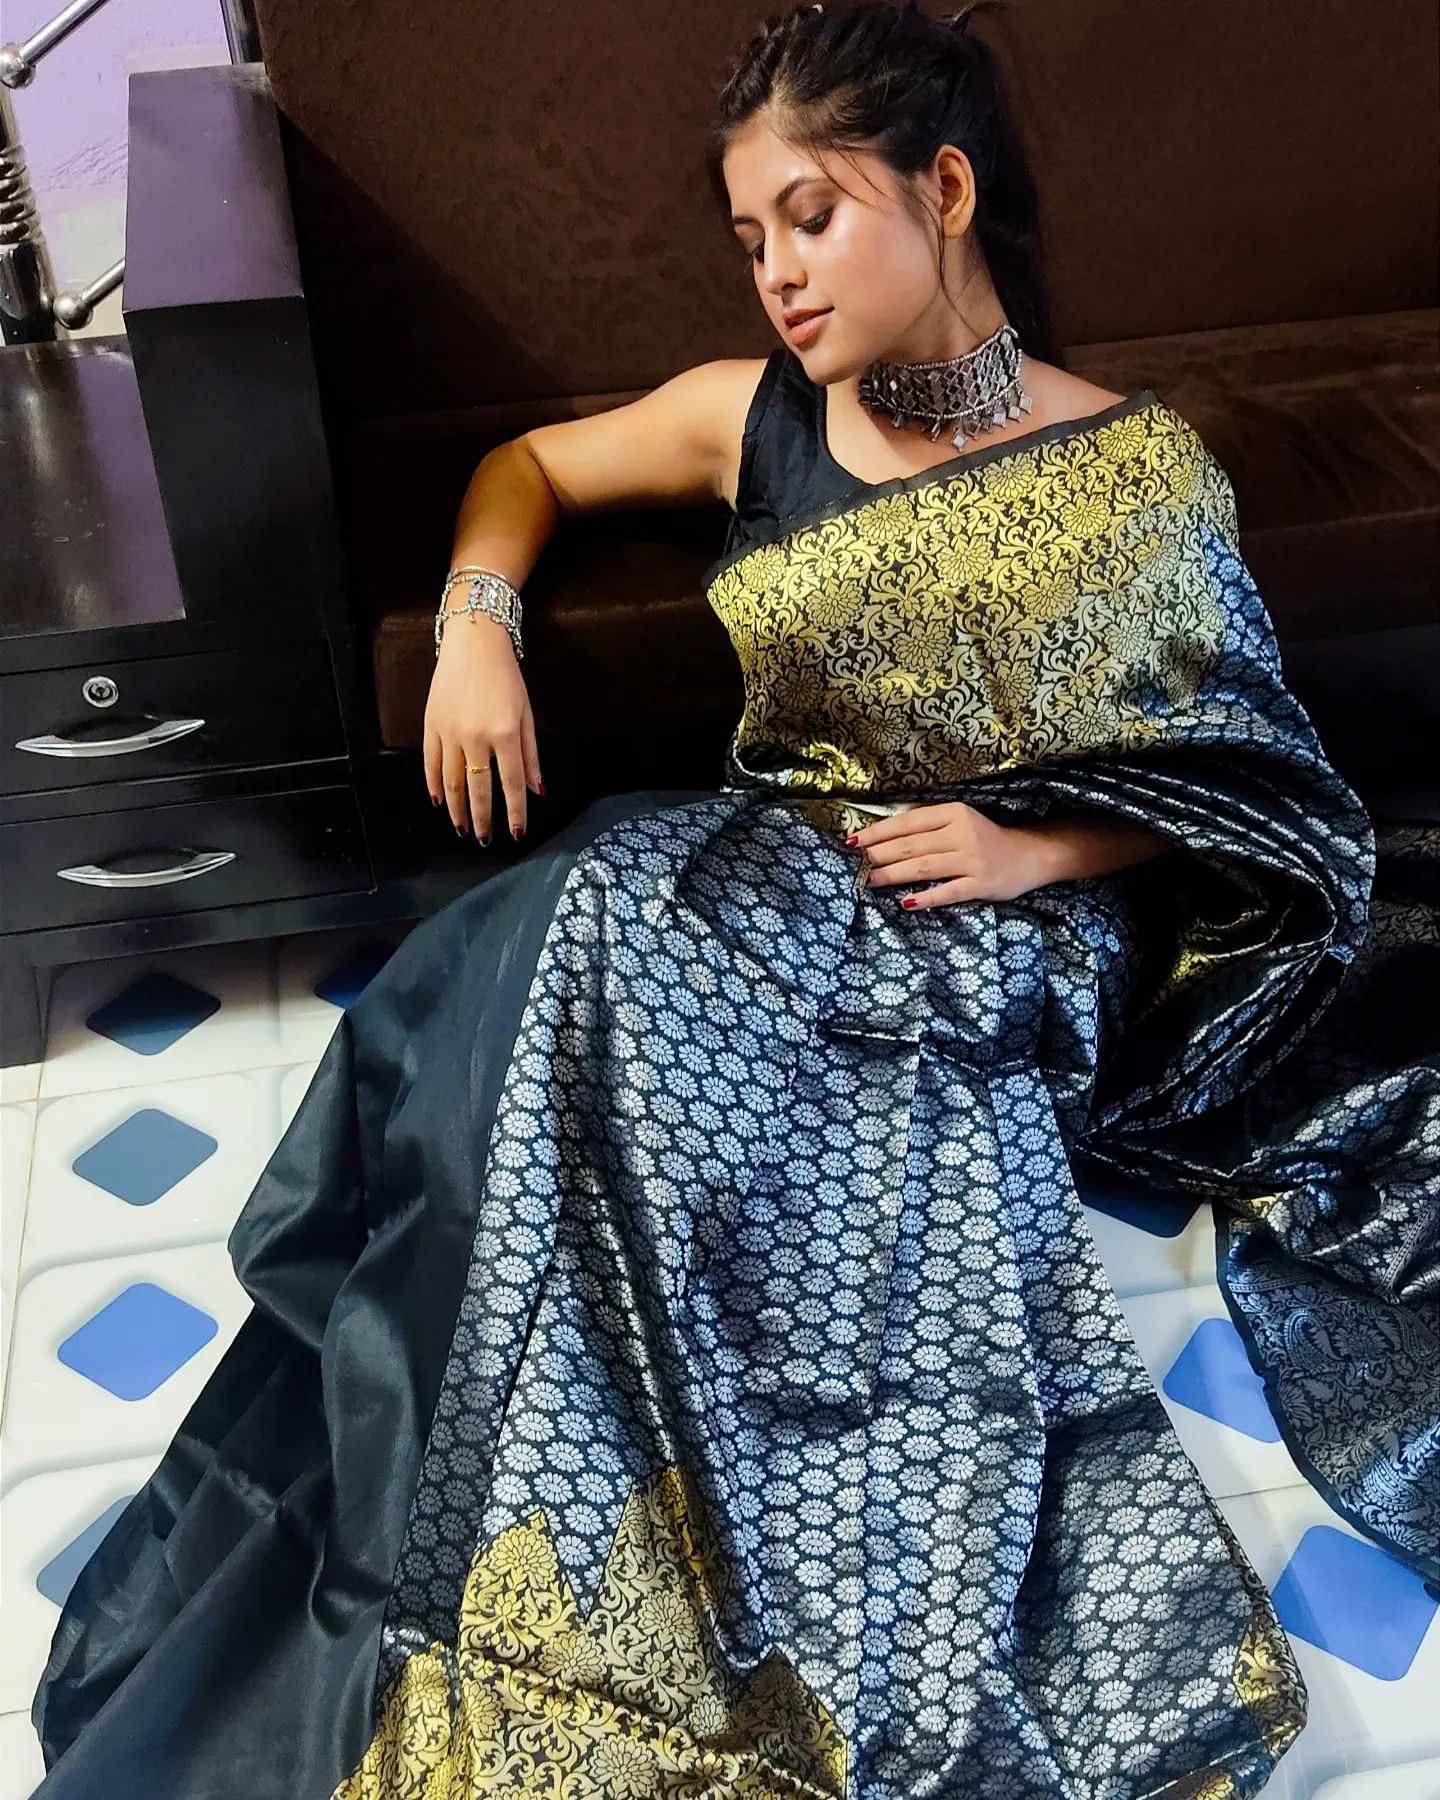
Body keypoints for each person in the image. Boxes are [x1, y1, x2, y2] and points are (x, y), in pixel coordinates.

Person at [28, 2, 1438, 1795]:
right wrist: (477, 628)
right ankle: (489, 1525)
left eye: (812, 218)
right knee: (586, 950)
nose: (777, 272)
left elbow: (1249, 783)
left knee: (811, 1212)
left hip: (1000, 939)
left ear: (945, 191)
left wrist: (1035, 850)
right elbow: (528, 469)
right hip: (764, 882)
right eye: (750, 235)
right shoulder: (753, 415)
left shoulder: (1137, 469)